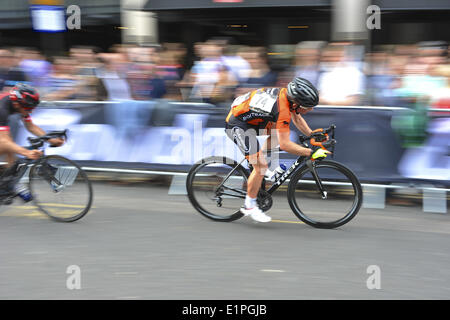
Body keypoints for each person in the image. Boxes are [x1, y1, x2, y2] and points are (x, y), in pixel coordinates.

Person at [225, 77, 328, 222]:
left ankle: (265, 169)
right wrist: (310, 153)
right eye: (308, 106)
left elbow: (297, 118)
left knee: (275, 131)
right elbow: (285, 145)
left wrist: (311, 134)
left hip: (252, 119)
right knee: (260, 166)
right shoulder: (282, 108)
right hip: (238, 125)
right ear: (297, 103)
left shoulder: (287, 97)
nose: (310, 109)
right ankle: (249, 206)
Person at [0, 83, 64, 200]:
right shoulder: (2, 108)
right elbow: (3, 141)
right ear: (17, 104)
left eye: (33, 108)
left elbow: (31, 127)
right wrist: (26, 152)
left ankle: (10, 184)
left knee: (10, 145)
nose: (31, 111)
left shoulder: (20, 104)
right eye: (29, 109)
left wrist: (52, 140)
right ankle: (9, 185)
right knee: (6, 144)